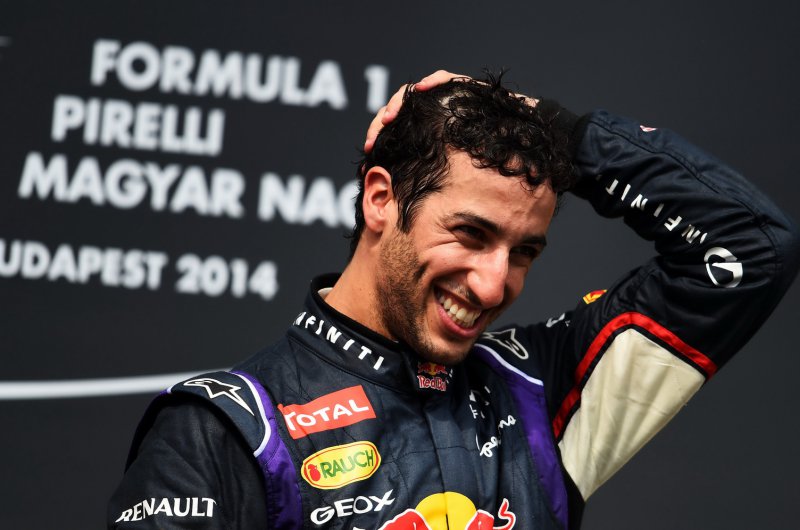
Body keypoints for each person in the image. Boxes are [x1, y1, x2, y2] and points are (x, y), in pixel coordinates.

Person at [108, 71, 799, 529]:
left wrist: (560, 133)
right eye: (471, 234)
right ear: (382, 199)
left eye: (524, 251)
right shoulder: (227, 429)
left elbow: (753, 248)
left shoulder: (541, 389)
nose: (495, 285)